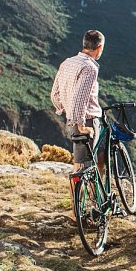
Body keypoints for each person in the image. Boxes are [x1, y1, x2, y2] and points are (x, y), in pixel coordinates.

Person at [51, 30, 106, 173]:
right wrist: (81, 125)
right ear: (99, 47)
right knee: (82, 169)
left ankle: (82, 195)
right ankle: (78, 196)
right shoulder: (90, 68)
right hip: (86, 121)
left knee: (80, 165)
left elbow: (55, 94)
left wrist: (65, 109)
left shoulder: (67, 62)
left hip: (70, 119)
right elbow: (80, 99)